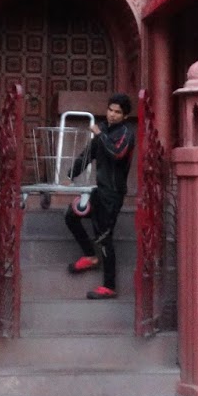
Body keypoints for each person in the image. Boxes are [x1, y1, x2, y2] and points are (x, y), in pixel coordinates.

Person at [65, 93, 136, 300]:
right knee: (71, 215)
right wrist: (70, 174)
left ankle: (109, 286)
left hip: (113, 194)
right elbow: (88, 155)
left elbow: (117, 153)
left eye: (117, 112)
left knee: (104, 237)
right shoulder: (103, 130)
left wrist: (99, 134)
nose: (112, 115)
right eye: (110, 110)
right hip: (99, 191)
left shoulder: (126, 134)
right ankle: (89, 255)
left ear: (124, 116)